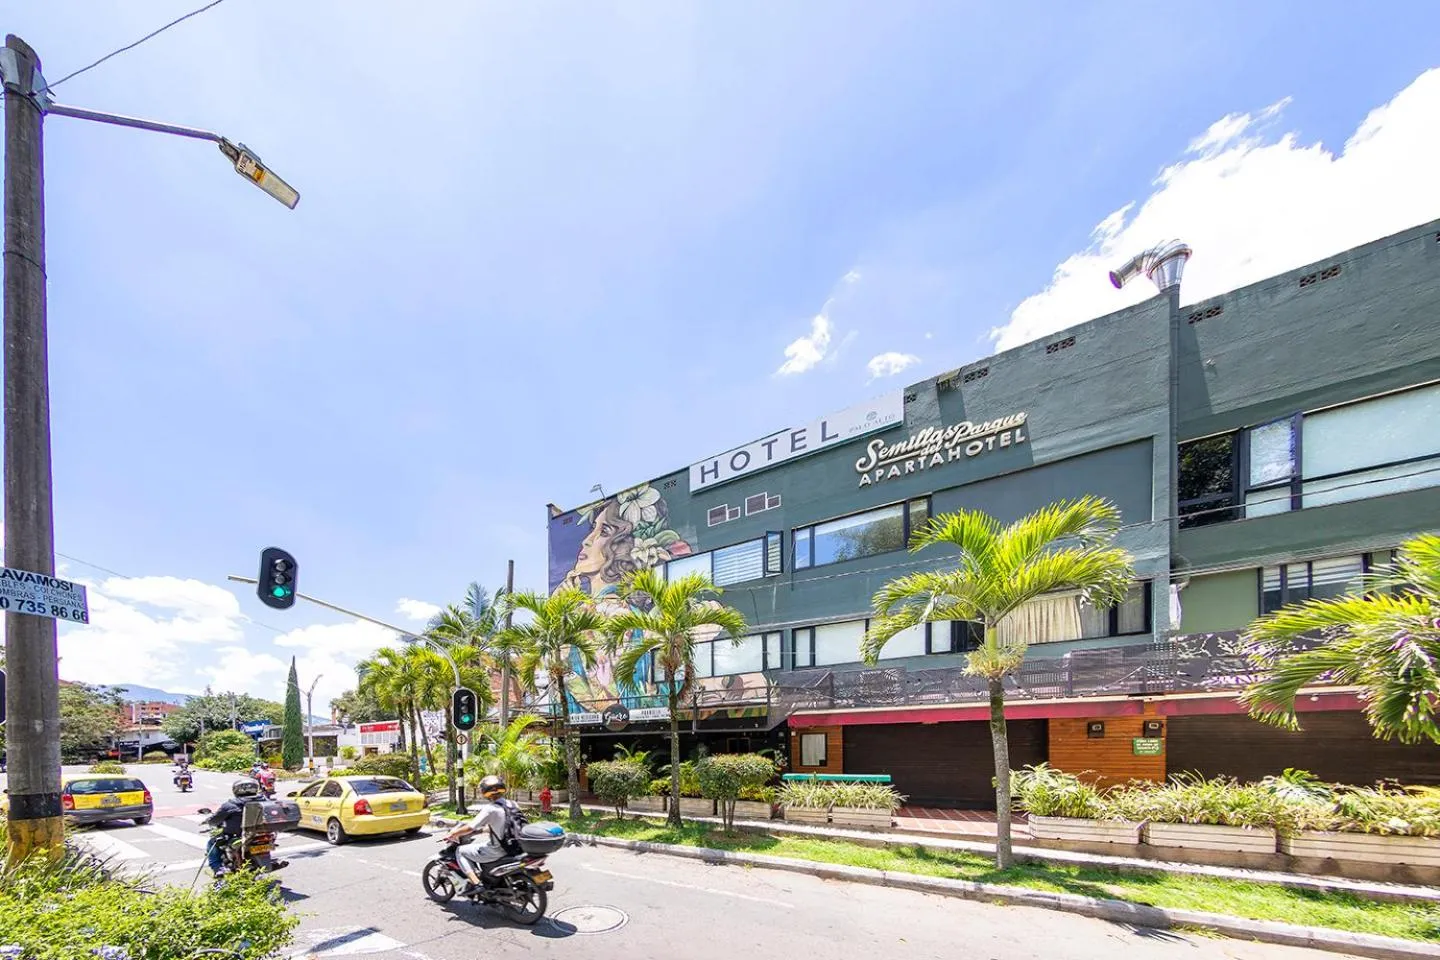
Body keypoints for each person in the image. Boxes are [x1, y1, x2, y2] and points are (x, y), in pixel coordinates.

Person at [442, 775, 514, 896]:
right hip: (514, 846)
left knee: (460, 851)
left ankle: (476, 883)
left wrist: (453, 833)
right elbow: (501, 825)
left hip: (498, 850)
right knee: (478, 846)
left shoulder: (490, 809)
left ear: (485, 792)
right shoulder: (511, 804)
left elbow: (470, 827)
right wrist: (480, 831)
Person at [203, 779, 265, 876]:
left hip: (236, 836)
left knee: (212, 843)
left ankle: (218, 868)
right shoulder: (265, 801)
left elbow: (215, 820)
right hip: (260, 834)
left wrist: (208, 821)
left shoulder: (230, 805)